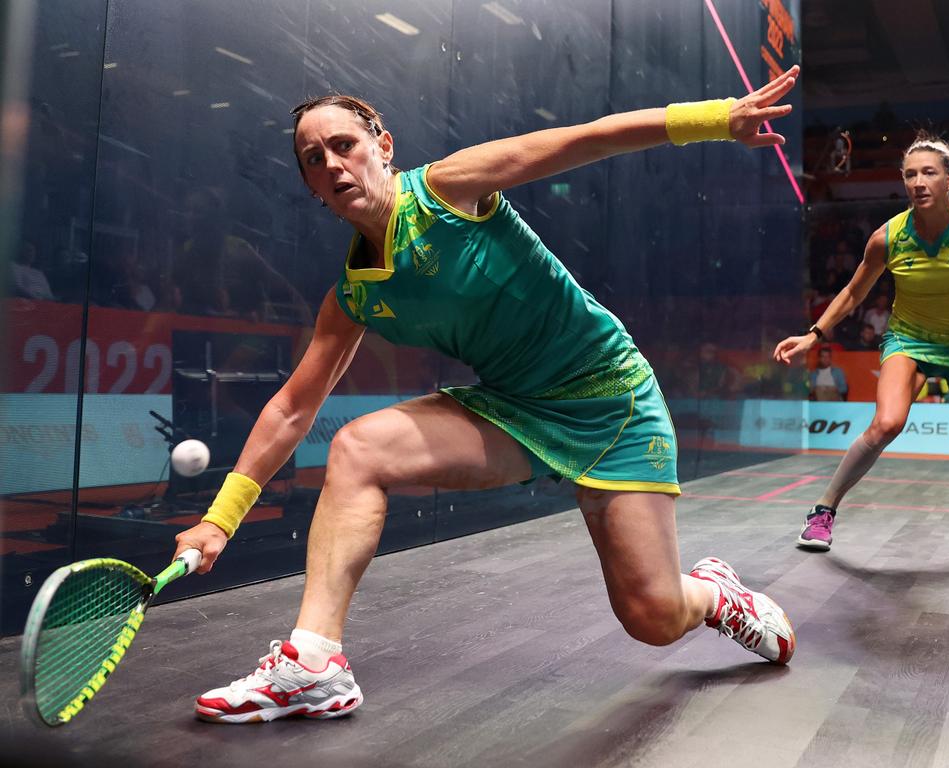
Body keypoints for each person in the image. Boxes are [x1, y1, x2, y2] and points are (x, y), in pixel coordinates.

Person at [171, 67, 802, 723]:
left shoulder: (448, 189)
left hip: (610, 398)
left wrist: (715, 118)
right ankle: (314, 661)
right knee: (357, 449)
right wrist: (221, 517)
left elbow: (581, 140)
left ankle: (715, 595)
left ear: (382, 145)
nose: (332, 163)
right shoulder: (356, 294)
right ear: (309, 185)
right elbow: (292, 409)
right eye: (313, 158)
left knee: (654, 617)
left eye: (344, 144)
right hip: (513, 408)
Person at [775, 131, 949, 552]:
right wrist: (813, 334)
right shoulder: (887, 238)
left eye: (929, 172)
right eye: (910, 175)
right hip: (906, 342)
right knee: (886, 423)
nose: (918, 182)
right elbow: (854, 292)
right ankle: (822, 511)